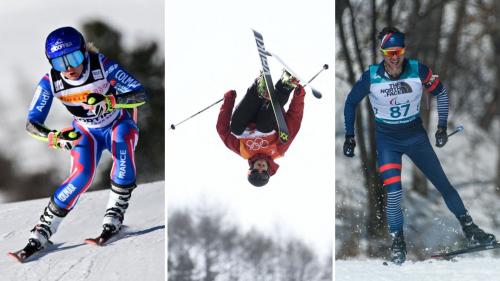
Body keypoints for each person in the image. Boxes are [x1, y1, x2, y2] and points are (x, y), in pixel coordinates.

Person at [343, 26, 496, 264]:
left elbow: (442, 94)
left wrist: (442, 127)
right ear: (383, 52)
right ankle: (398, 244)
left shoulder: (418, 70)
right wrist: (349, 136)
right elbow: (351, 102)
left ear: (404, 51)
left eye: (399, 52)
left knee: (442, 184)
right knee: (394, 193)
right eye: (390, 52)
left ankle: (470, 229)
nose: (395, 58)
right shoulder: (371, 76)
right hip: (388, 142)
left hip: (415, 137)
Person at [19, 26, 147, 257]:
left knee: (122, 144)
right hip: (86, 130)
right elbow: (31, 123)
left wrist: (110, 102)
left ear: (84, 53)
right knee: (81, 176)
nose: (68, 68)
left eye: (74, 58)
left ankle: (114, 215)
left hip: (118, 123)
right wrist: (55, 137)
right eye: (59, 62)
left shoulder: (102, 65)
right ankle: (44, 228)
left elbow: (139, 93)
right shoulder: (51, 82)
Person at [216, 70, 305, 187]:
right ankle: (286, 85)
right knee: (264, 127)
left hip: (250, 112)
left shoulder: (243, 151)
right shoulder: (278, 150)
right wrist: (298, 97)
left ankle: (258, 88)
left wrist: (228, 101)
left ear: (251, 168)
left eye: (256, 170)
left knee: (236, 129)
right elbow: (294, 120)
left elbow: (222, 130)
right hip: (268, 114)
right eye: (264, 171)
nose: (260, 168)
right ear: (268, 171)